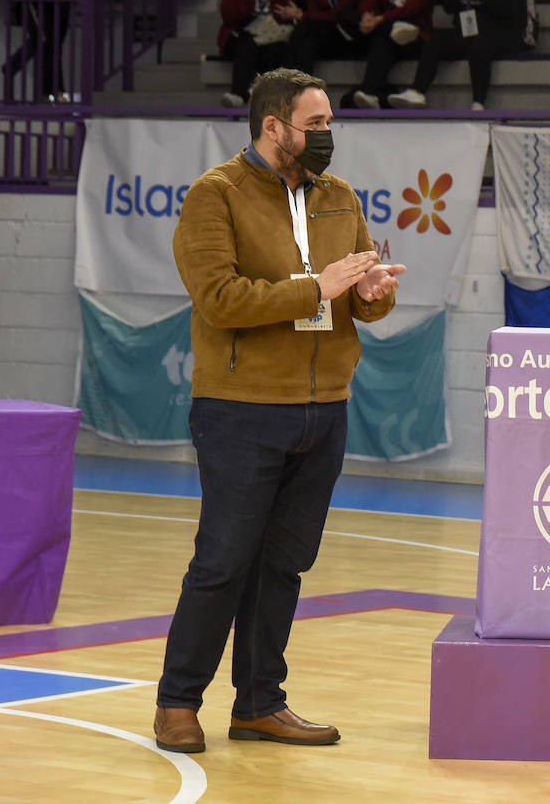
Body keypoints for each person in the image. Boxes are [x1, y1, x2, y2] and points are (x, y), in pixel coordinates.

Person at [153, 67, 405, 754]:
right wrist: (313, 289)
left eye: (328, 123)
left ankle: (260, 703)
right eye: (314, 124)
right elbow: (220, 300)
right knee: (223, 561)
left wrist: (372, 291)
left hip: (324, 409)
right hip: (240, 408)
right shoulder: (215, 196)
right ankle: (178, 702)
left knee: (285, 564)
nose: (326, 135)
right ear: (273, 126)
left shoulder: (339, 197)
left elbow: (356, 298)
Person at [387, 0, 536, 112]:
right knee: (436, 41)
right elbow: (452, 7)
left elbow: (504, 10)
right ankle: (417, 91)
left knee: (480, 45)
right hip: (470, 30)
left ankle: (478, 103)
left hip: (502, 32)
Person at [350, 0, 439, 109]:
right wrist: (367, 17)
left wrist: (380, 18)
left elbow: (411, 9)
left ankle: (370, 89)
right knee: (379, 32)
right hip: (387, 35)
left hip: (417, 38)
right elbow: (368, 1)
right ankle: (370, 92)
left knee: (386, 30)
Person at [217, 0, 296, 108]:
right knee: (247, 42)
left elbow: (284, 17)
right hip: (240, 37)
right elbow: (229, 15)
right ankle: (238, 94)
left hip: (271, 38)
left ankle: (263, 93)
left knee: (278, 48)